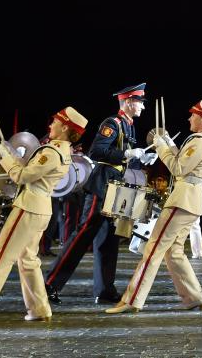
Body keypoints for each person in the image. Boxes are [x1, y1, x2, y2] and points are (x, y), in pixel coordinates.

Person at [0, 107, 86, 322]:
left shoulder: (52, 152)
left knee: (0, 259)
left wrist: (3, 156)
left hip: (28, 208)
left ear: (64, 127)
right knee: (28, 261)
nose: (50, 125)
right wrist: (10, 154)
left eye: (55, 122)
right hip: (40, 209)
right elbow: (27, 168)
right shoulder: (61, 151)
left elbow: (21, 176)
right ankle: (39, 310)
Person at [107, 100, 202, 313]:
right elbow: (184, 161)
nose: (190, 118)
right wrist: (169, 143)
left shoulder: (199, 141)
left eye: (193, 115)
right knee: (174, 252)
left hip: (182, 200)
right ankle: (195, 297)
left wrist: (160, 146)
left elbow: (178, 168)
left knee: (153, 248)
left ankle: (132, 300)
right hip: (192, 201)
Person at [45, 83, 156, 305]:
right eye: (140, 102)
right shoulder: (112, 123)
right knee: (82, 236)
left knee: (108, 240)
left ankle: (104, 290)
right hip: (102, 185)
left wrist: (141, 158)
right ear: (128, 102)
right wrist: (127, 154)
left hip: (115, 187)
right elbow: (97, 151)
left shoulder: (129, 126)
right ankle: (49, 284)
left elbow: (122, 158)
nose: (143, 107)